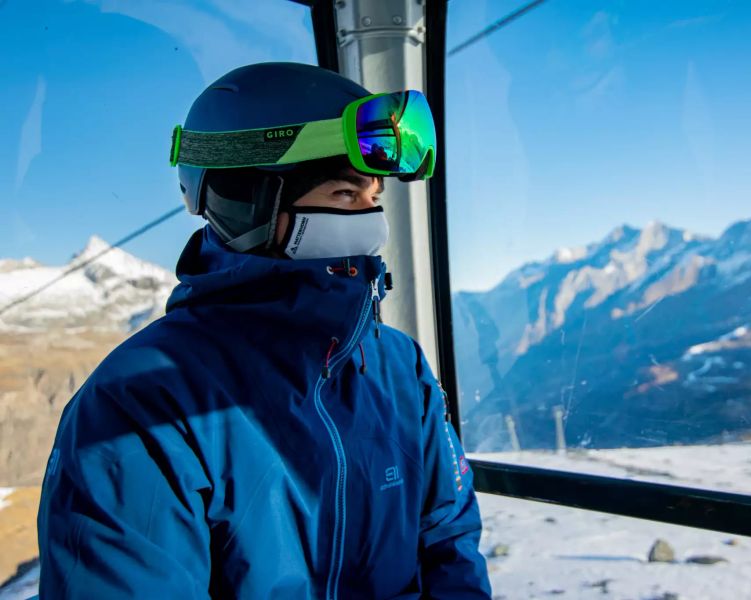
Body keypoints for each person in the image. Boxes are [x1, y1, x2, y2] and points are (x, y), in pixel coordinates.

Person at [37, 62, 492, 599]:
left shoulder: (400, 367)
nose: (374, 224)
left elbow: (449, 541)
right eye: (345, 196)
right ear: (249, 202)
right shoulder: (141, 403)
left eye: (374, 199)